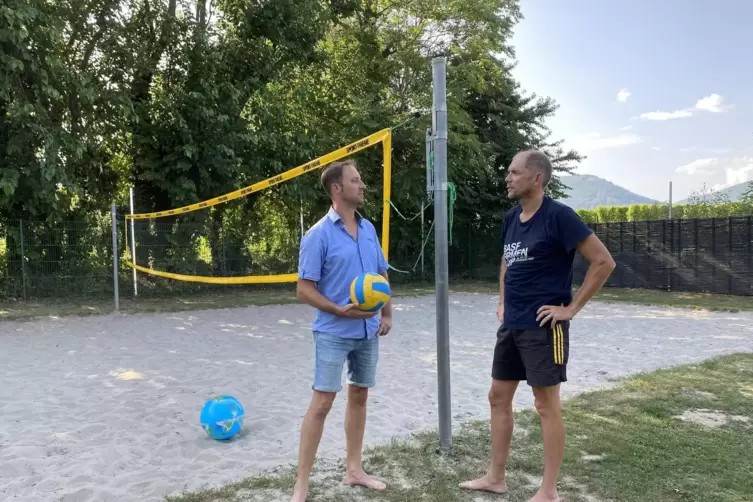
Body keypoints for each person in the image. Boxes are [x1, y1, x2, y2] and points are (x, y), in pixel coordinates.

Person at [460, 150, 616, 502]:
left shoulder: (559, 217)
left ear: (536, 178)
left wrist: (571, 308)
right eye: (508, 172)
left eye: (514, 172)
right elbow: (507, 261)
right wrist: (503, 300)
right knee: (497, 397)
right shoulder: (511, 218)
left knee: (546, 405)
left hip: (545, 327)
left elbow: (603, 262)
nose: (508, 178)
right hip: (512, 324)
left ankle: (548, 491)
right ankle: (495, 477)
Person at [290, 159, 393, 502]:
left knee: (360, 396)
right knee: (322, 402)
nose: (362, 185)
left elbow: (381, 275)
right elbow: (304, 289)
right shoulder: (317, 234)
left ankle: (354, 470)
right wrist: (338, 309)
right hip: (333, 330)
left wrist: (387, 314)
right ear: (337, 188)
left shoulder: (368, 229)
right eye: (356, 180)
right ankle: (301, 484)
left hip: (368, 330)